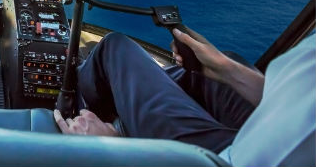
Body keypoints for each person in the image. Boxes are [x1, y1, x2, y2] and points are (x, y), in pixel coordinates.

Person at [54, 27, 315, 166]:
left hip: (226, 158)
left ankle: (83, 109)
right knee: (209, 71)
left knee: (115, 48)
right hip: (271, 129)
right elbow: (299, 97)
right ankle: (131, 115)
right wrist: (226, 69)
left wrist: (113, 152)